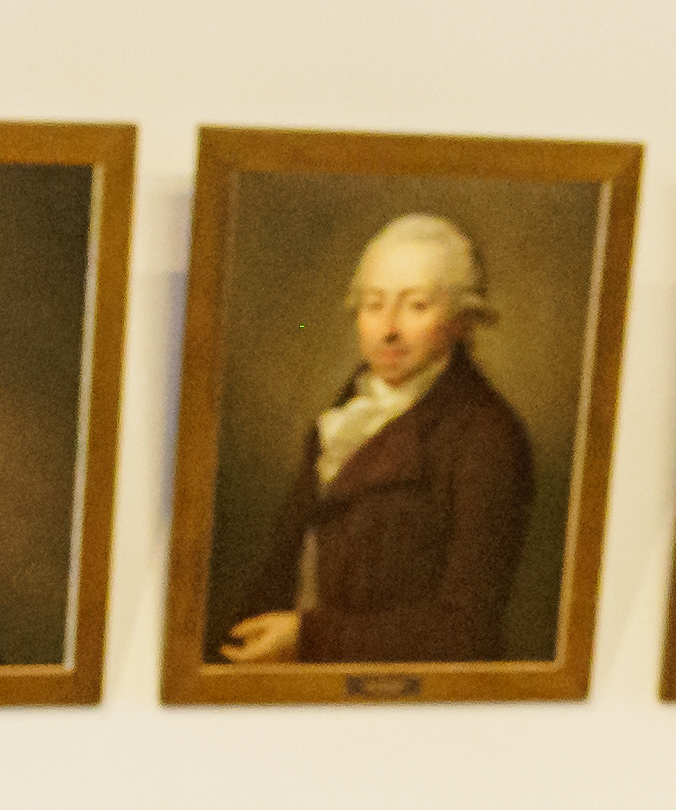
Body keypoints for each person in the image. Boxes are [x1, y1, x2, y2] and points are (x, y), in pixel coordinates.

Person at [220, 213, 537, 669]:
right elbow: (280, 570)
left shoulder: (485, 436)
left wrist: (308, 638)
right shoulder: (341, 417)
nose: (389, 328)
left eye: (416, 306)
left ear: (461, 321)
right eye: (373, 304)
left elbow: (467, 631)